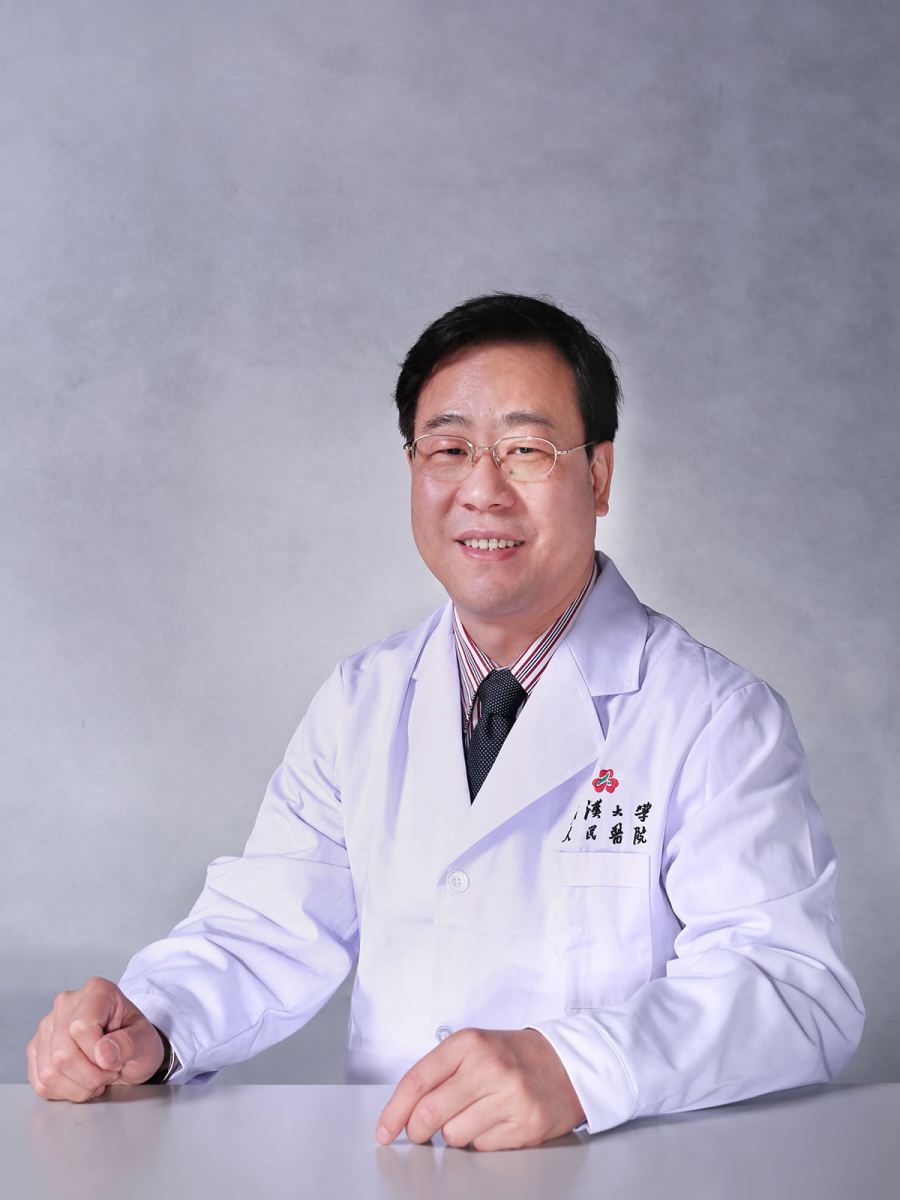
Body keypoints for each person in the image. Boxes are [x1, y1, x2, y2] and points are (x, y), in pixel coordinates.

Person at [26, 293, 865, 1150]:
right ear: (414, 468)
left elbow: (792, 989)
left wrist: (577, 1068)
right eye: (450, 450)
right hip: (400, 1168)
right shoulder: (361, 701)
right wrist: (147, 1025)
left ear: (599, 476)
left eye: (526, 450)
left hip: (615, 1169)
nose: (482, 491)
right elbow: (265, 930)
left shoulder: (715, 716)